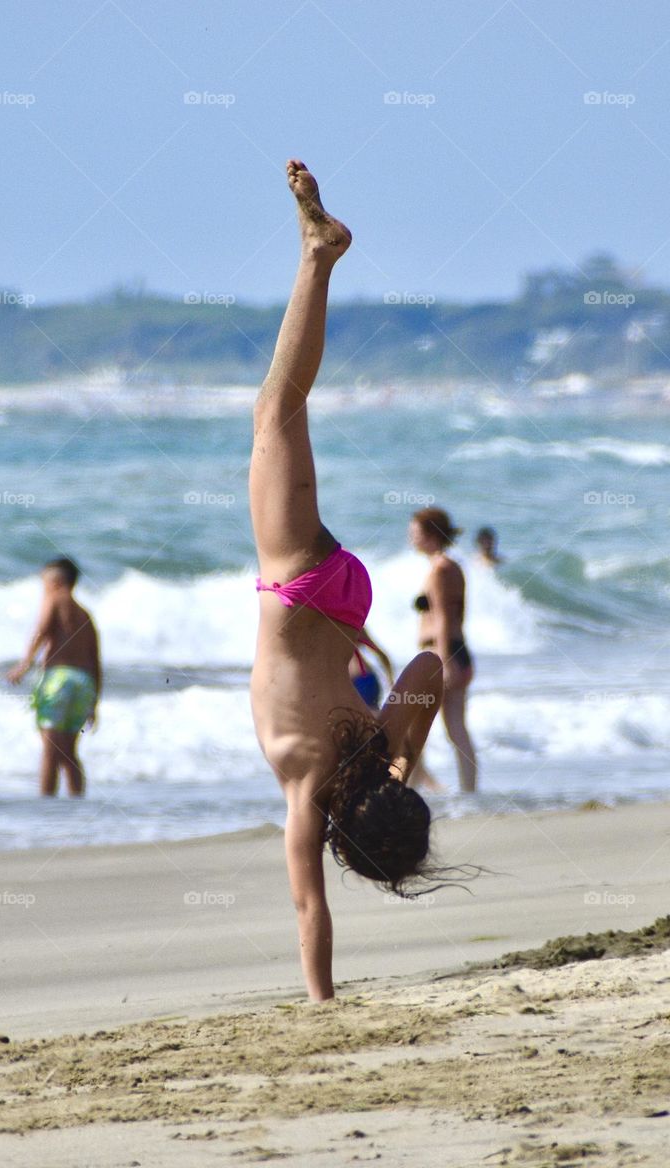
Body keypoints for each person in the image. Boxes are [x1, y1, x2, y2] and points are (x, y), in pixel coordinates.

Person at [249, 160, 446, 1002]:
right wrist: (321, 1000)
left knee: (282, 409)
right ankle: (318, 255)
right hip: (296, 586)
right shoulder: (307, 785)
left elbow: (427, 670)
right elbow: (308, 909)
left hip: (342, 595)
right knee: (277, 408)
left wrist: (404, 758)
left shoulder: (374, 748)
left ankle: (319, 256)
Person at [7, 557, 101, 797]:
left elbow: (43, 630)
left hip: (57, 681)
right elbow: (95, 660)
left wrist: (25, 664)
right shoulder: (85, 615)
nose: (43, 588)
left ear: (57, 582)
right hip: (83, 683)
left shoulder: (55, 599)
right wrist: (94, 703)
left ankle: (46, 807)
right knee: (69, 752)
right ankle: (77, 802)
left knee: (50, 751)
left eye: (44, 582)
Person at [410, 509, 477, 792]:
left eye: (415, 533)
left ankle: (415, 788)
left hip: (442, 653)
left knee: (414, 725)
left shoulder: (440, 569)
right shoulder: (451, 567)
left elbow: (443, 618)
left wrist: (444, 660)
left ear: (431, 535)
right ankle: (466, 792)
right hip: (453, 651)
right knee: (454, 727)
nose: (411, 538)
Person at [349, 625, 393, 712]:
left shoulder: (352, 626)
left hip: (362, 681)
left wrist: (390, 679)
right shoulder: (354, 625)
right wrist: (390, 679)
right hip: (365, 679)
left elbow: (382, 655)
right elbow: (382, 655)